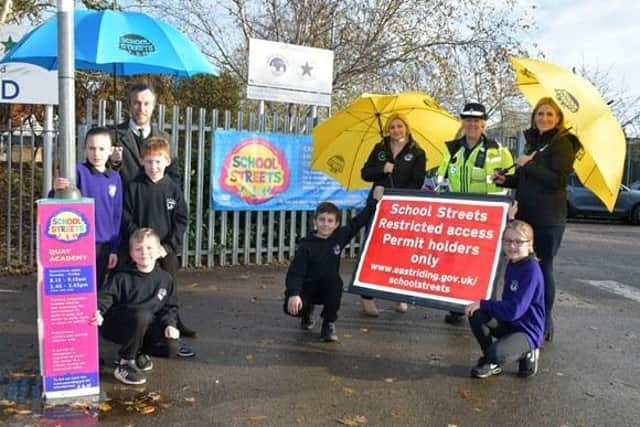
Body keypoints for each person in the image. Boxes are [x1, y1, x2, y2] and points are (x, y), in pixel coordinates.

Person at [492, 97, 578, 342]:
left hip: (548, 218)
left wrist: (529, 165)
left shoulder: (564, 144)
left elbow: (557, 180)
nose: (544, 118)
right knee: (520, 267)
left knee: (542, 267)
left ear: (558, 118)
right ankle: (518, 315)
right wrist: (505, 180)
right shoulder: (533, 142)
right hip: (525, 215)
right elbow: (523, 178)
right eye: (540, 113)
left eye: (550, 114)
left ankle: (544, 320)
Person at [437, 102, 514, 326]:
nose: (472, 124)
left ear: (484, 123)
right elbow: (440, 180)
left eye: (476, 120)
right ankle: (456, 306)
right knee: (456, 260)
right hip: (458, 216)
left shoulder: (498, 150)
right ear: (463, 122)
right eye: (468, 120)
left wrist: (511, 203)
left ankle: (485, 306)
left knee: (484, 264)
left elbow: (512, 181)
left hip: (487, 218)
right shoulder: (451, 148)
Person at [122, 137, 197, 345]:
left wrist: (167, 247)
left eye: (158, 161)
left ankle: (174, 323)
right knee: (143, 287)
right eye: (149, 161)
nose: (154, 166)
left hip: (165, 251)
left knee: (169, 285)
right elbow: (126, 217)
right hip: (142, 252)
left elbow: (181, 219)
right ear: (141, 161)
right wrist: (140, 243)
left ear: (167, 162)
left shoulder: (172, 188)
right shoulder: (133, 187)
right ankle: (142, 328)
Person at [284, 186, 384, 342]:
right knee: (293, 309)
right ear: (315, 221)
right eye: (322, 220)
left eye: (330, 221)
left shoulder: (339, 237)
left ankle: (328, 324)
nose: (326, 224)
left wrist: (375, 200)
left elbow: (359, 221)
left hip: (327, 289)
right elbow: (295, 273)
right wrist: (294, 294)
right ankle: (306, 313)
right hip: (308, 288)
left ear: (336, 224)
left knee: (335, 282)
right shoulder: (306, 246)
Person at [91, 228, 180, 385]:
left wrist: (169, 325)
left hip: (145, 326)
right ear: (131, 253)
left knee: (171, 347)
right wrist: (98, 311)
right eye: (138, 249)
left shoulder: (166, 278)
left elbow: (169, 308)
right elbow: (105, 297)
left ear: (159, 250)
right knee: (142, 314)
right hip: (120, 326)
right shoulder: (122, 277)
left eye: (149, 247)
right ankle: (125, 363)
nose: (144, 253)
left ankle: (138, 351)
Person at [360, 113, 426, 316]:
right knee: (373, 249)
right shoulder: (380, 148)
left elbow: (417, 182)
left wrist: (392, 195)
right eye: (392, 127)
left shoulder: (417, 152)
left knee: (400, 252)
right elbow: (365, 173)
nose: (396, 130)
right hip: (378, 205)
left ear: (406, 127)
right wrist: (382, 170)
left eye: (399, 126)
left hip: (402, 208)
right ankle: (367, 296)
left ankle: (400, 295)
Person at [464, 220, 545, 379]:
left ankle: (528, 351)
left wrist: (484, 303)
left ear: (530, 244)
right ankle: (491, 362)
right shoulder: (513, 263)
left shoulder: (531, 270)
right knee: (477, 313)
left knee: (497, 353)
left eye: (518, 242)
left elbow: (514, 310)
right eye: (508, 241)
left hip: (527, 330)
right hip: (510, 323)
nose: (512, 246)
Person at [53, 127, 122, 290]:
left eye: (101, 148)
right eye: (92, 148)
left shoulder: (115, 177)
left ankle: (92, 316)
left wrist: (114, 248)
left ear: (111, 150)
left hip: (103, 244)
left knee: (97, 286)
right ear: (85, 149)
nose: (96, 153)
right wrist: (56, 188)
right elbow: (60, 202)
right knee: (78, 285)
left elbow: (116, 215)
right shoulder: (77, 172)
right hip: (79, 241)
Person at [110, 82, 180, 186]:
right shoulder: (112, 136)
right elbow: (101, 174)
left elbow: (174, 177)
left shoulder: (165, 139)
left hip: (155, 200)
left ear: (153, 106)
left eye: (146, 104)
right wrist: (113, 163)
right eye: (136, 103)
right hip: (123, 200)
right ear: (129, 105)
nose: (141, 109)